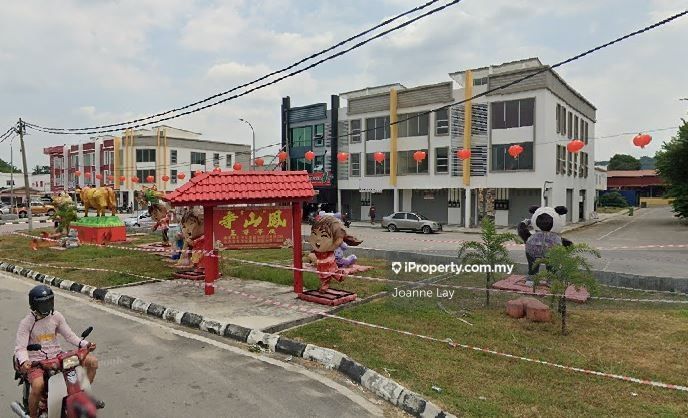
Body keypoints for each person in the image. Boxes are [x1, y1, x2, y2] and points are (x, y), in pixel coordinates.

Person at [15, 285, 99, 418]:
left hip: (58, 357)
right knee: (38, 385)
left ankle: (83, 395)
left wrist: (85, 344)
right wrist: (25, 361)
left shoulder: (56, 316)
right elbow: (20, 348)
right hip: (37, 361)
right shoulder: (27, 323)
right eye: (43, 304)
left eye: (49, 302)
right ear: (34, 305)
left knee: (92, 362)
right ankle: (32, 415)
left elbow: (70, 336)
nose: (47, 306)